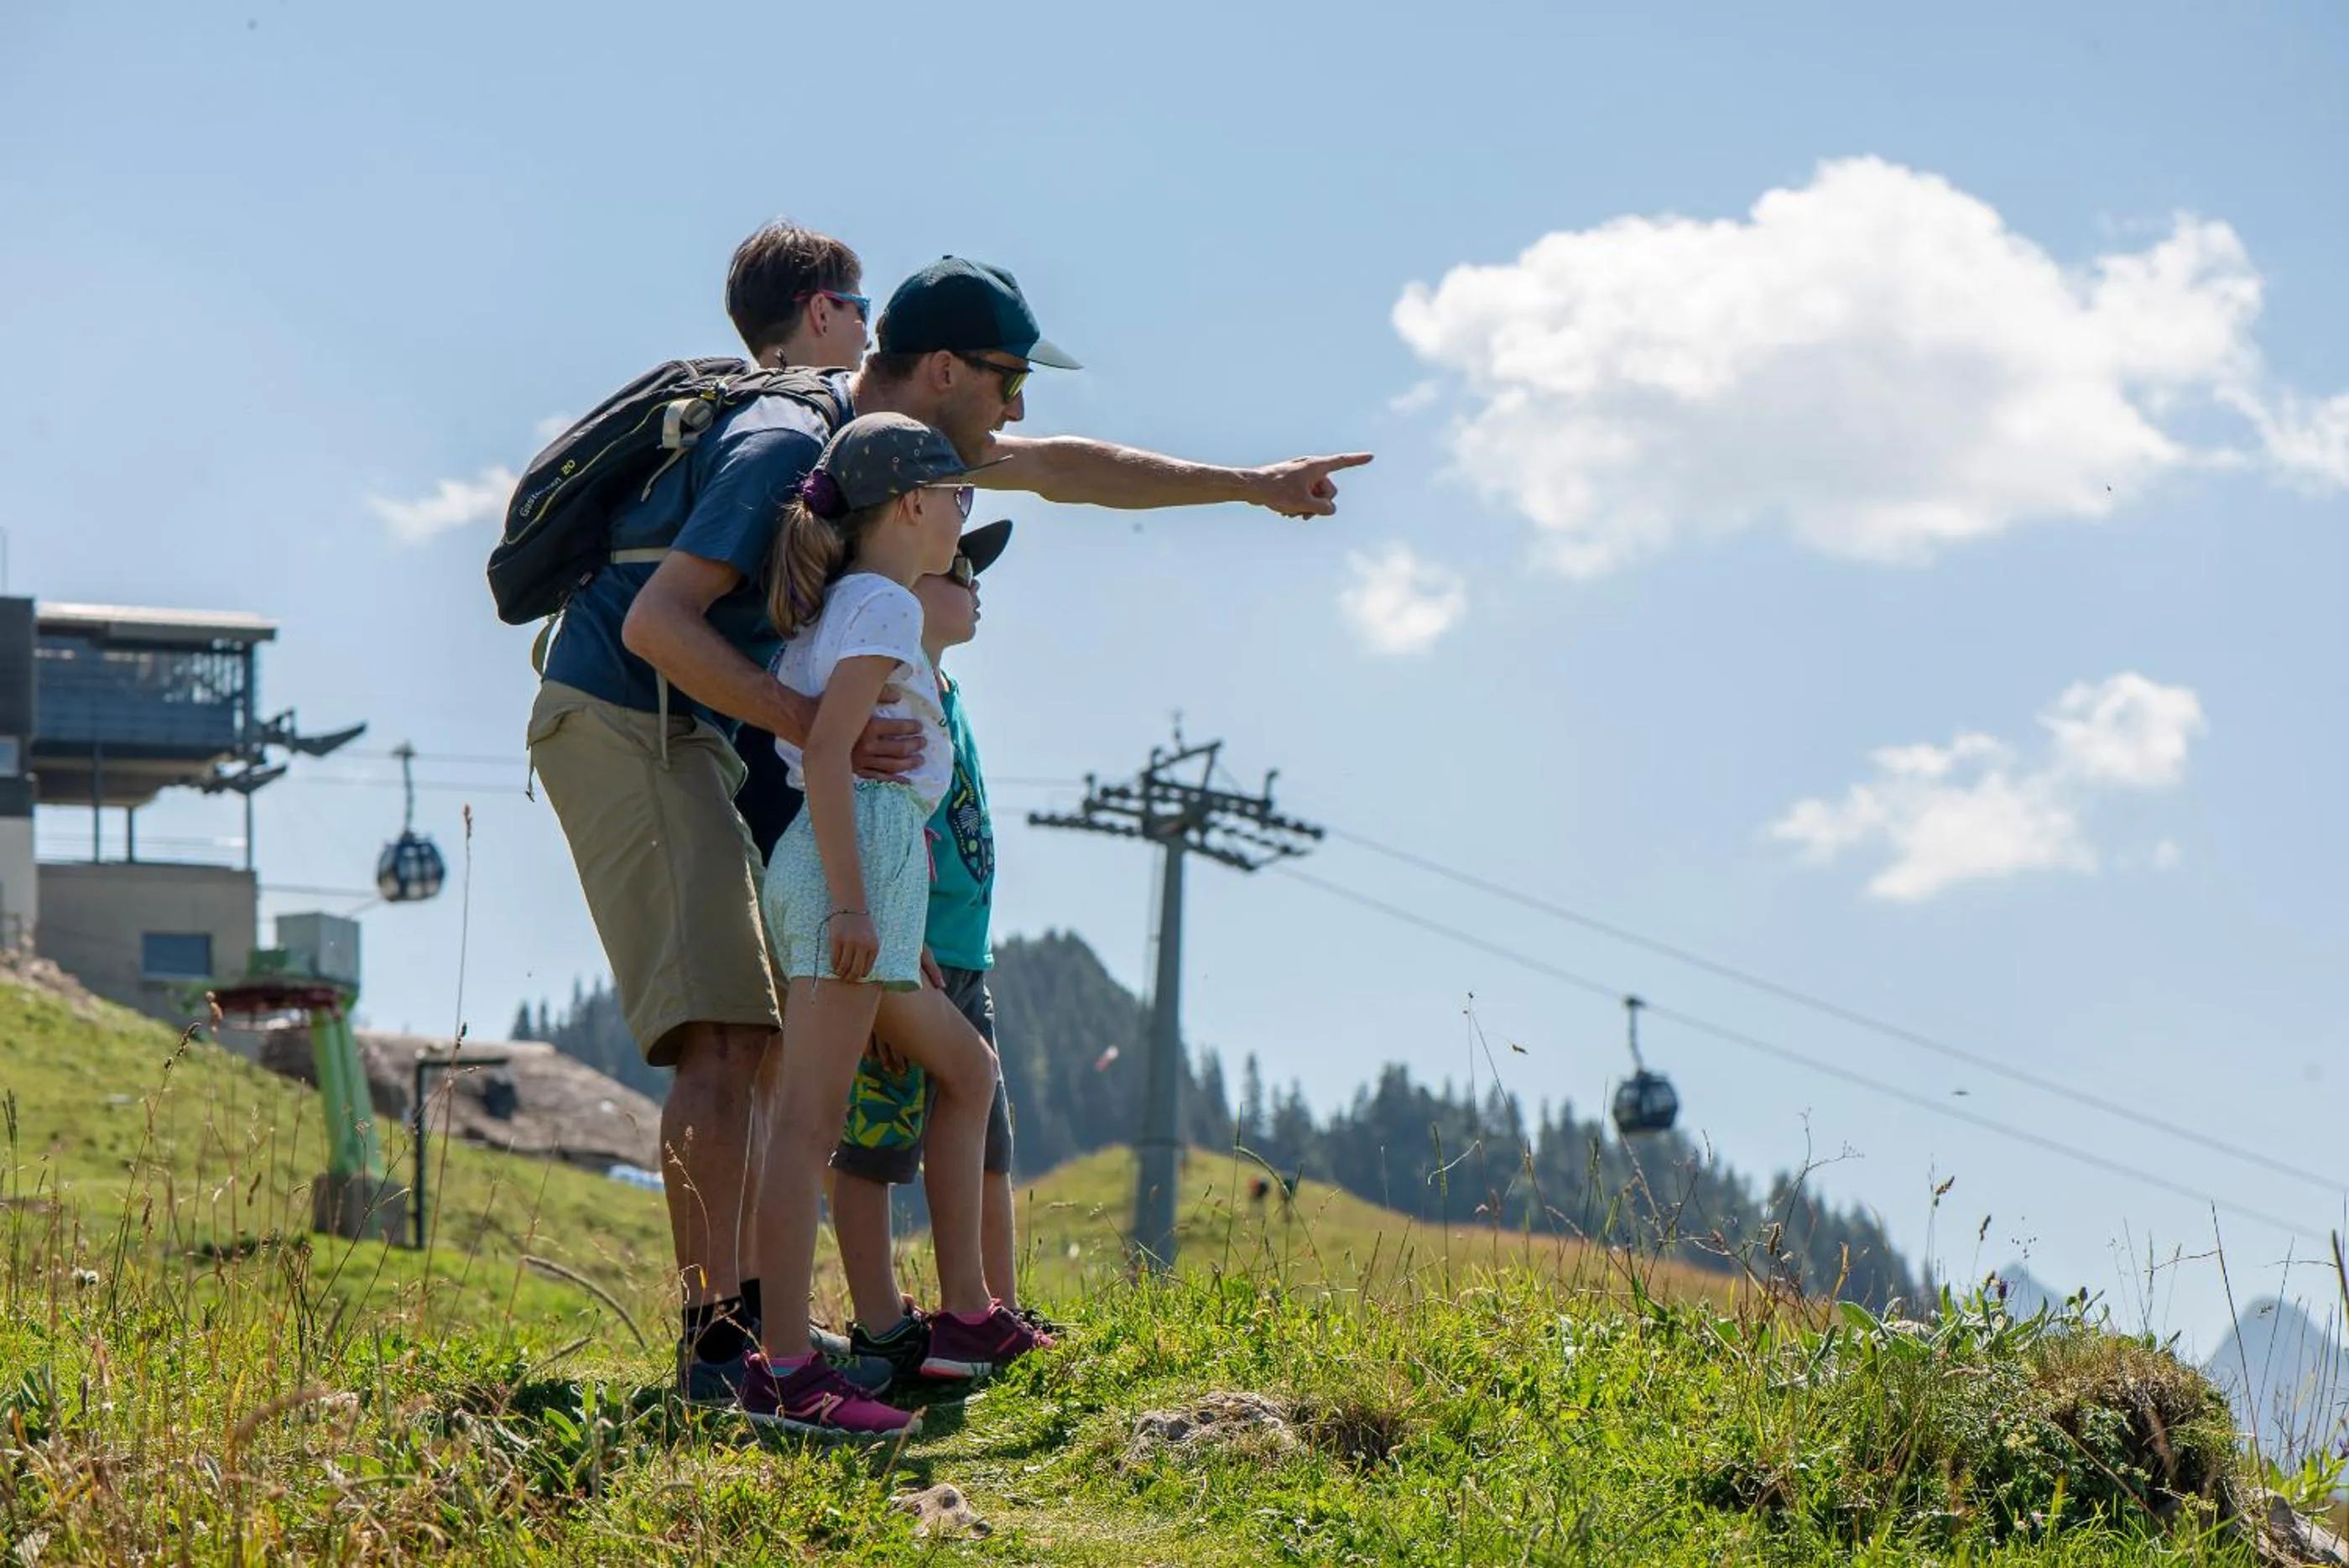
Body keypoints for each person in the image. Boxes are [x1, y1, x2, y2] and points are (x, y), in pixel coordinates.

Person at [529, 218, 1371, 1411]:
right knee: (727, 1039)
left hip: (722, 730)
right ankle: (726, 1356)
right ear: (941, 375)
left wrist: (1247, 486)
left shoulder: (892, 459)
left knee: (784, 1041)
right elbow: (662, 624)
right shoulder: (791, 443)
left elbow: (1074, 468)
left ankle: (779, 1333)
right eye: (1006, 381)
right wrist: (814, 729)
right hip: (632, 717)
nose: (1016, 411)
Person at [736, 413, 1029, 1438]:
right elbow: (826, 754)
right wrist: (859, 907)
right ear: (911, 504)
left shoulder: (858, 603)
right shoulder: (880, 607)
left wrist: (894, 930)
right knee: (809, 1122)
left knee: (968, 1069)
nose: (964, 514)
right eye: (960, 496)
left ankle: (964, 1316)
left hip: (873, 865)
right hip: (847, 864)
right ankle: (781, 1367)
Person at [826, 517, 1030, 1389]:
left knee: (986, 1144)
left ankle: (991, 1311)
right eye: (957, 568)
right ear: (903, 590)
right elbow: (875, 819)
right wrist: (888, 943)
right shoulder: (890, 698)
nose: (975, 581)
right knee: (872, 1146)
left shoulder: (946, 694)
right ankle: (886, 1327)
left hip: (958, 953)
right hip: (911, 950)